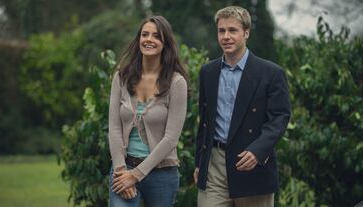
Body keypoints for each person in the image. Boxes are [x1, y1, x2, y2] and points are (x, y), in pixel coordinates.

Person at [193, 6, 291, 207]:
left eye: (232, 30)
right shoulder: (207, 72)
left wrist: (258, 150)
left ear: (246, 33)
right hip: (214, 164)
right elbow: (205, 121)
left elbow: (280, 117)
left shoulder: (271, 73)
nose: (226, 36)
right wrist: (199, 163)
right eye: (222, 31)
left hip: (251, 163)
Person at [108, 16, 188, 207]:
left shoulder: (177, 83)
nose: (149, 39)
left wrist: (136, 175)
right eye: (145, 34)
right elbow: (114, 127)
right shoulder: (121, 78)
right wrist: (121, 171)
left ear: (165, 43)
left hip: (161, 174)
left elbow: (171, 139)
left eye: (156, 36)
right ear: (139, 39)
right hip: (123, 168)